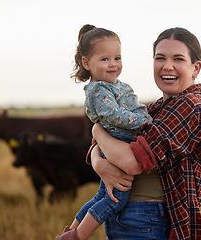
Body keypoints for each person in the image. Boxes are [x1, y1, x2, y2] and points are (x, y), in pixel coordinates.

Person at [89, 27, 201, 239]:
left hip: (149, 220)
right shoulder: (154, 109)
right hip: (127, 216)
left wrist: (96, 129)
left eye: (178, 59)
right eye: (160, 58)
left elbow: (131, 161)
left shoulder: (190, 107)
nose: (167, 66)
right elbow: (108, 143)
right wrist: (99, 162)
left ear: (195, 68)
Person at [56, 24, 152, 240]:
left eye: (117, 58)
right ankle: (79, 236)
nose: (113, 64)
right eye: (105, 59)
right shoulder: (99, 89)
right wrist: (143, 121)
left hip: (112, 141)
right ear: (86, 62)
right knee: (116, 197)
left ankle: (70, 231)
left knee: (102, 193)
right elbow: (115, 115)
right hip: (118, 140)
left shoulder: (114, 85)